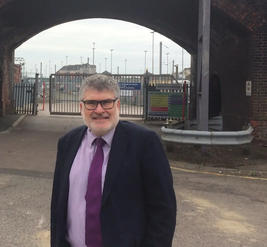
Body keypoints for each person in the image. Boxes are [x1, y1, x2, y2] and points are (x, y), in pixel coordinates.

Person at [51, 74, 176, 247]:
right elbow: (58, 205)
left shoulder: (144, 143)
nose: (99, 110)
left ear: (118, 105)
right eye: (91, 103)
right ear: (81, 107)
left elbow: (163, 210)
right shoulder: (67, 143)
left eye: (106, 102)